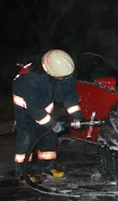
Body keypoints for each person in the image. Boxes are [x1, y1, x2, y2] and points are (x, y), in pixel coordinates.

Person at [12, 49, 86, 181]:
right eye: (61, 78)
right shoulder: (32, 77)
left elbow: (70, 98)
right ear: (49, 72)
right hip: (25, 108)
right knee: (27, 136)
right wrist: (52, 123)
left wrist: (77, 116)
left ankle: (47, 168)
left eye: (66, 77)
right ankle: (22, 172)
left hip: (45, 105)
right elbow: (34, 107)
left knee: (49, 136)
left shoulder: (65, 74)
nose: (64, 80)